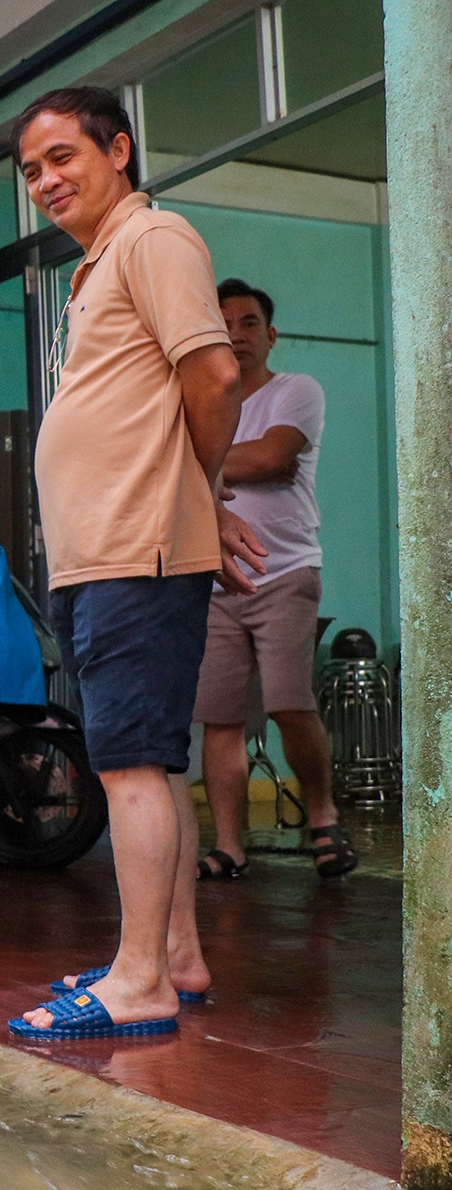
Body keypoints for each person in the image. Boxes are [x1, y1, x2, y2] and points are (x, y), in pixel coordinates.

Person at [9, 87, 265, 1040]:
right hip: (106, 553)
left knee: (129, 767)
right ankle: (176, 958)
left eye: (65, 157)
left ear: (120, 150)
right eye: (33, 171)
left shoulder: (154, 239)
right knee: (148, 761)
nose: (47, 181)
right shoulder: (100, 263)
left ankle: (141, 979)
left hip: (133, 550)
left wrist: (195, 488)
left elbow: (214, 374)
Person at [194, 279, 355, 880]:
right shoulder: (198, 403)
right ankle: (231, 846)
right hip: (212, 581)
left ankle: (322, 816)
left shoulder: (297, 390)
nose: (235, 334)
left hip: (283, 572)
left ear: (271, 334)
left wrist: (196, 463)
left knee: (289, 703)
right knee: (221, 718)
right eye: (224, 323)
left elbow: (271, 457)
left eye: (249, 322)